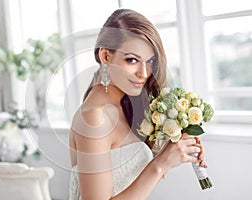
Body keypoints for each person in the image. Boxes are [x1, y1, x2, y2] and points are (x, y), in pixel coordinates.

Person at [69, 8, 206, 200]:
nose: (143, 73)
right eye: (132, 60)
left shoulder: (126, 105)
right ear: (106, 56)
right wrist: (161, 165)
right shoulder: (94, 118)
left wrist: (178, 148)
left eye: (149, 61)